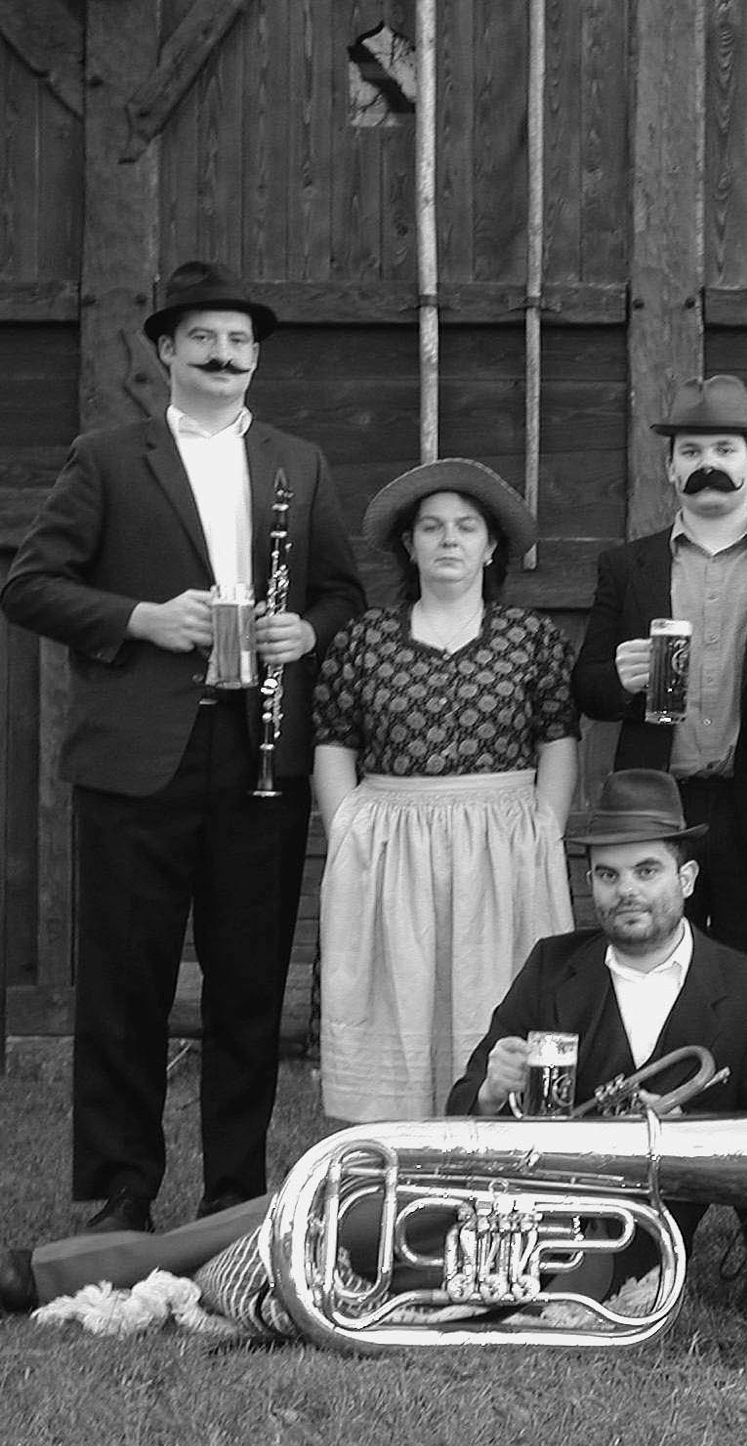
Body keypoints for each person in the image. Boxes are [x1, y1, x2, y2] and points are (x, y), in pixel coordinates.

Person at [1, 769, 747, 1320]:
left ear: (687, 879)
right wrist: (490, 1089)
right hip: (492, 1195)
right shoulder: (553, 963)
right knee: (306, 1206)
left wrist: (718, 1196)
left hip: (613, 1244)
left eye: (645, 871)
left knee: (331, 1234)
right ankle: (59, 1274)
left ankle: (176, 1276)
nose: (625, 891)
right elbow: (463, 1106)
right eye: (607, 875)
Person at [0, 262, 364, 1232]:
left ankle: (235, 1196)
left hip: (260, 754)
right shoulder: (108, 457)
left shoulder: (299, 462)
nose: (223, 355)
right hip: (138, 758)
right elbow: (29, 586)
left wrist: (307, 632)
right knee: (125, 983)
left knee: (250, 983)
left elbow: (341, 592)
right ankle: (121, 1194)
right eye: (203, 338)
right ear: (166, 349)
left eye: (239, 341)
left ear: (255, 358)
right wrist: (142, 618)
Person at [311, 458, 579, 1120]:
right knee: (399, 992)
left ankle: (500, 1141)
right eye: (432, 527)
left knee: (496, 989)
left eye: (466, 526)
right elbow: (335, 741)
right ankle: (396, 1145)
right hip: (390, 842)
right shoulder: (365, 638)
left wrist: (543, 831)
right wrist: (348, 830)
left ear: (491, 547)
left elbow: (558, 738)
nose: (449, 539)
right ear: (410, 545)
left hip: (502, 841)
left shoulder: (531, 638)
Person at [570, 375, 747, 981]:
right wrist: (620, 679)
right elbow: (588, 688)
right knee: (651, 972)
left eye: (724, 450)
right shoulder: (627, 565)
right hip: (657, 808)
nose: (708, 464)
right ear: (671, 468)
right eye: (691, 451)